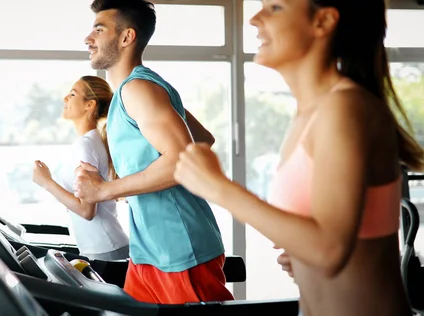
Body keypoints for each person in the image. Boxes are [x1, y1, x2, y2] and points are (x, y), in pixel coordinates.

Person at [173, 0, 424, 315]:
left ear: (322, 22)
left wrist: (218, 187)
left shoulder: (344, 108)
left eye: (275, 8)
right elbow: (331, 241)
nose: (254, 19)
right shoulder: (312, 113)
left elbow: (330, 250)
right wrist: (304, 254)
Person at [73, 0, 234, 305]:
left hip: (179, 249)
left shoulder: (139, 90)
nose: (88, 38)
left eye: (98, 29)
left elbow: (181, 161)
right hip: (148, 251)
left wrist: (105, 190)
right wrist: (137, 180)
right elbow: (202, 139)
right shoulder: (134, 92)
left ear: (126, 37)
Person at [32, 75, 129, 261]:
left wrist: (47, 182)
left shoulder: (86, 145)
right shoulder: (90, 141)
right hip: (102, 247)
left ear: (89, 105)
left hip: (105, 249)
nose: (65, 98)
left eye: (73, 94)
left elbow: (87, 210)